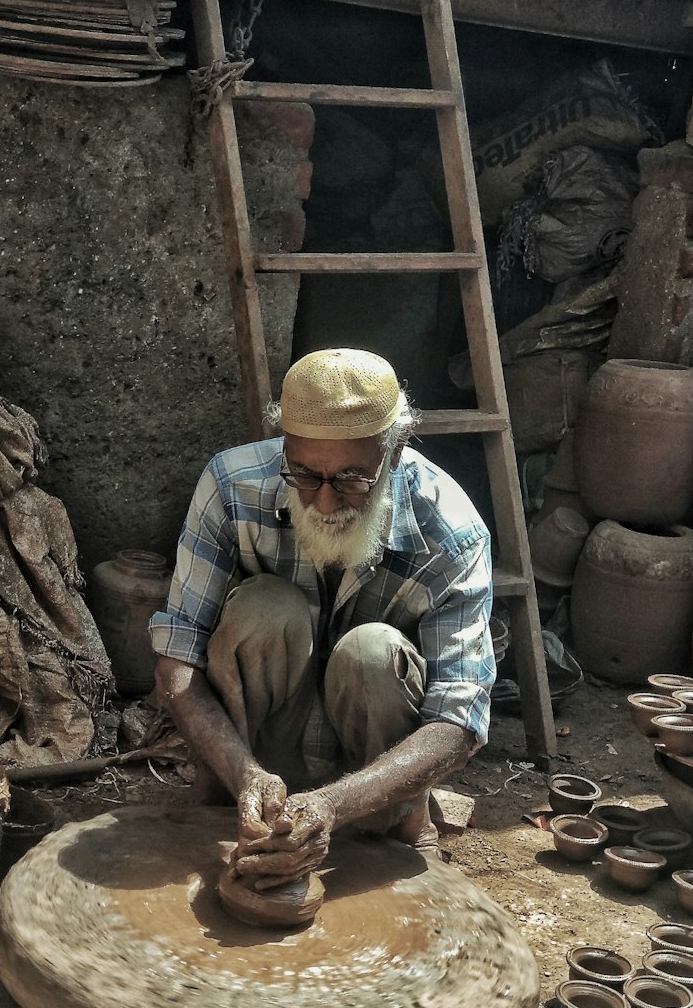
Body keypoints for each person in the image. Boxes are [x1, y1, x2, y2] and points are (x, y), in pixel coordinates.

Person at [150, 348, 496, 894]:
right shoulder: (231, 486)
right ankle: (236, 809)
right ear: (282, 446)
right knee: (265, 607)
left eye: (352, 478)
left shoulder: (451, 532)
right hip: (256, 763)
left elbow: (459, 720)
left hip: (374, 778)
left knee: (372, 651)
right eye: (305, 474)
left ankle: (398, 829)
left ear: (395, 449)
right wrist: (246, 777)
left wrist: (332, 805)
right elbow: (177, 663)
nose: (327, 502)